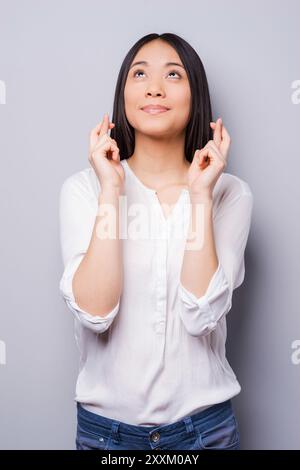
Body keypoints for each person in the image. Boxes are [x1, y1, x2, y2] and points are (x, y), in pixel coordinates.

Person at [59, 32, 253, 451]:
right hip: (105, 435)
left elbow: (201, 315)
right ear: (123, 94)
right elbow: (95, 313)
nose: (154, 87)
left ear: (195, 93)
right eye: (140, 73)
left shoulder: (229, 193)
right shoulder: (84, 190)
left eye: (173, 74)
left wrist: (199, 194)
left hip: (205, 434)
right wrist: (111, 189)